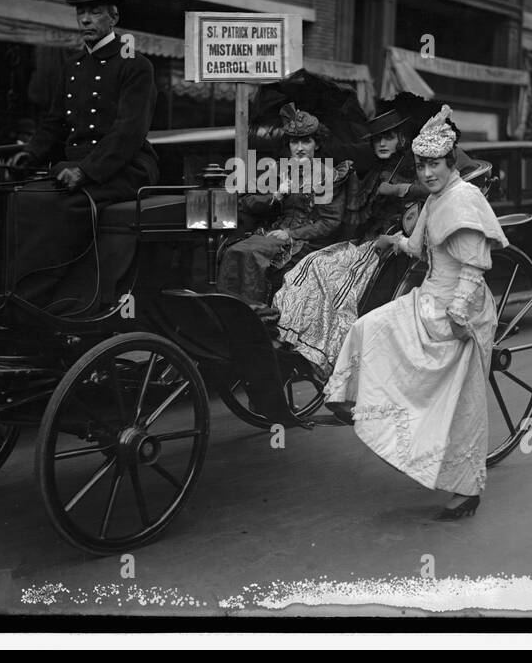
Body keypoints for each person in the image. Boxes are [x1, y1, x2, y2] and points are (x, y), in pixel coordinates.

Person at [323, 105, 507, 520]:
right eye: (421, 165)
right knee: (370, 326)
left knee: (460, 403)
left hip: (461, 310)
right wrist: (395, 242)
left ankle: (465, 490)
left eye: (434, 165)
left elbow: (474, 268)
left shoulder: (463, 200)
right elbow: (421, 246)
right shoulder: (435, 199)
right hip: (428, 297)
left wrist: (458, 315)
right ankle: (357, 401)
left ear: (450, 162)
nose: (426, 174)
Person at [7, 0, 159, 310]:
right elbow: (55, 124)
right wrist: (29, 154)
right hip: (75, 169)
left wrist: (86, 172)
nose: (86, 19)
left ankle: (41, 300)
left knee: (55, 205)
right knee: (20, 199)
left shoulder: (136, 66)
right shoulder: (73, 66)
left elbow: (128, 132)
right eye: (81, 13)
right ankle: (15, 291)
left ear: (114, 17)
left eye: (95, 12)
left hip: (123, 169)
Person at [270, 108, 427, 380]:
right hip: (366, 241)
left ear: (401, 139)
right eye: (377, 139)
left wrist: (400, 190)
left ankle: (328, 352)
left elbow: (435, 190)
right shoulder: (377, 169)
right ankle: (302, 341)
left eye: (387, 137)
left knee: (331, 278)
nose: (381, 144)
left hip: (390, 245)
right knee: (313, 263)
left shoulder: (414, 169)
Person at [216, 103, 351, 308]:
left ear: (317, 144)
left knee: (252, 254)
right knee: (234, 251)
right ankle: (231, 312)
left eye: (306, 141)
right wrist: (275, 196)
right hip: (274, 233)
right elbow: (247, 202)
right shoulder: (280, 170)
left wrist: (290, 234)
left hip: (306, 241)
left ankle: (258, 315)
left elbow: (329, 223)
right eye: (294, 142)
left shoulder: (326, 176)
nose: (299, 148)